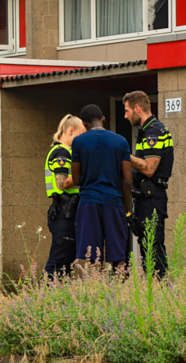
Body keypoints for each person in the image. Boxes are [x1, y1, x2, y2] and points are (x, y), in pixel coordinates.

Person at [70, 104, 133, 270]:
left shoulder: (79, 142)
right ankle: (122, 292)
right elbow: (127, 180)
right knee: (119, 255)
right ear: (103, 119)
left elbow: (76, 179)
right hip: (114, 202)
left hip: (89, 202)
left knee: (93, 256)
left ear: (84, 124)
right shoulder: (120, 141)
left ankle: (96, 292)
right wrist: (127, 207)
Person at [125, 90, 174, 279]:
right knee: (147, 245)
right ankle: (154, 287)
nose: (126, 116)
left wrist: (123, 155)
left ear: (137, 108)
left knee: (153, 246)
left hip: (152, 197)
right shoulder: (147, 130)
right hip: (146, 196)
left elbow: (149, 168)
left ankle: (159, 287)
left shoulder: (153, 131)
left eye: (127, 111)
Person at [44, 114, 85, 278]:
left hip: (67, 212)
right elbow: (61, 183)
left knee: (65, 266)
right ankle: (44, 298)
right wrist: (86, 176)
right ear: (71, 131)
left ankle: (57, 299)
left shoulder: (63, 151)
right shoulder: (62, 153)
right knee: (57, 263)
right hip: (63, 212)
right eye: (80, 136)